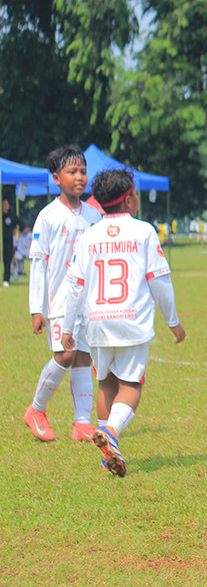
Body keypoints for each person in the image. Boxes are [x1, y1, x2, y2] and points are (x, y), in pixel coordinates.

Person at [60, 168, 185, 477]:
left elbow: (75, 284)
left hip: (97, 324)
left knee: (106, 383)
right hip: (132, 322)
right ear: (130, 199)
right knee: (131, 385)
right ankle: (112, 432)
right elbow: (159, 281)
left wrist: (66, 327)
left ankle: (108, 451)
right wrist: (173, 321)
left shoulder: (89, 234)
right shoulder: (144, 231)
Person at [24, 146, 102, 442]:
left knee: (83, 357)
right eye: (72, 172)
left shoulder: (94, 215)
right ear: (56, 178)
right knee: (65, 355)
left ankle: (82, 423)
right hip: (58, 302)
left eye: (82, 171)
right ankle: (36, 409)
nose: (79, 177)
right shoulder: (47, 216)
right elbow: (38, 264)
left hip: (88, 304)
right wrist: (36, 308)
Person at [2, 197, 20, 287]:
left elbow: (20, 223)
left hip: (8, 242)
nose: (4, 207)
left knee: (7, 260)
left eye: (6, 205)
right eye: (3, 205)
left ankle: (6, 278)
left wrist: (17, 230)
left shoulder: (12, 216)